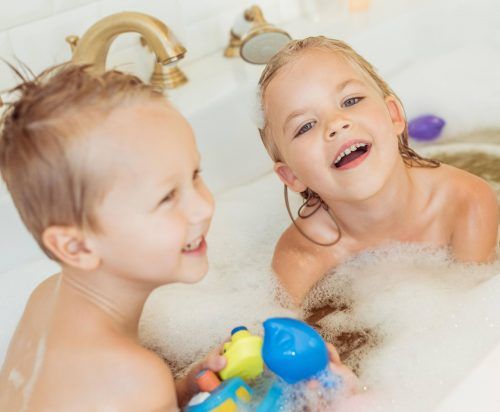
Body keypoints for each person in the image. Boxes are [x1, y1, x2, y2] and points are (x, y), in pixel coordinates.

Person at [0, 64, 225, 411]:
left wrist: (182, 392)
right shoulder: (134, 379)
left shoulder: (46, 297)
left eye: (195, 174)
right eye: (166, 197)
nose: (203, 207)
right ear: (76, 246)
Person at [257, 36, 499, 305]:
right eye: (305, 126)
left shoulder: (467, 203)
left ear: (394, 115)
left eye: (350, 100)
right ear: (291, 176)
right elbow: (275, 324)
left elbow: (474, 308)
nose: (336, 124)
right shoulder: (300, 254)